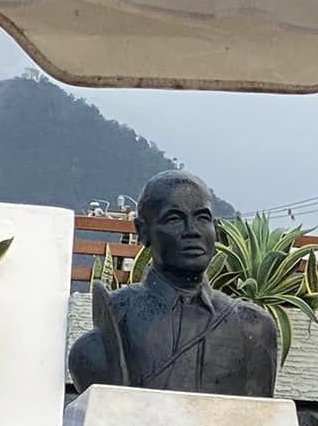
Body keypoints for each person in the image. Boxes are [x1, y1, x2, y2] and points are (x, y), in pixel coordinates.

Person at [68, 170, 278, 397]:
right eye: (175, 219)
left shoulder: (253, 327)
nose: (193, 231)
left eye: (203, 218)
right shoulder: (117, 321)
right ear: (142, 231)